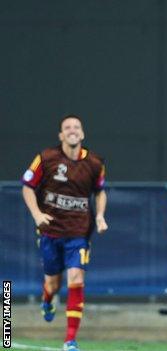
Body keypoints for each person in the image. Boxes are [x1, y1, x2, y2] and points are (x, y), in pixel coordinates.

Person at [21, 115, 108, 351]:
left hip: (78, 234)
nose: (72, 130)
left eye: (76, 127)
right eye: (67, 127)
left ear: (82, 134)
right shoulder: (46, 158)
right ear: (61, 135)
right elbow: (27, 187)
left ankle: (70, 340)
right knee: (52, 283)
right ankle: (47, 300)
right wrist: (37, 215)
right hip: (50, 232)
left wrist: (100, 216)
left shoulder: (95, 163)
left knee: (77, 279)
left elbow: (100, 192)